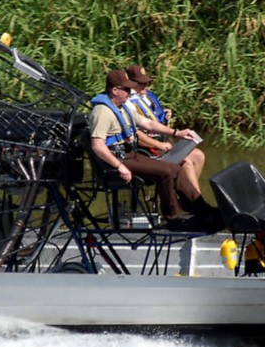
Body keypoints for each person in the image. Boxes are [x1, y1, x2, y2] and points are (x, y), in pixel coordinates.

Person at [89, 70, 218, 231]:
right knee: (167, 171)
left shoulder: (123, 108)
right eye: (127, 90)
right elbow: (97, 145)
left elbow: (148, 124)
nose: (130, 92)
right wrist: (119, 166)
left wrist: (177, 133)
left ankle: (202, 210)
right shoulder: (102, 112)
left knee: (174, 168)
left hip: (131, 154)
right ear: (115, 90)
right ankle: (174, 219)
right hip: (118, 160)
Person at [124, 64, 206, 197]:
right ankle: (197, 202)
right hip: (145, 149)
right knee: (187, 163)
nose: (145, 86)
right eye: (141, 83)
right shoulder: (127, 103)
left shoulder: (147, 96)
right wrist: (159, 145)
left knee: (198, 155)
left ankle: (188, 198)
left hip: (161, 142)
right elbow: (135, 133)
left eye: (147, 83)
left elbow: (150, 122)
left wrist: (174, 129)